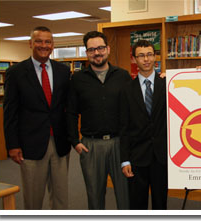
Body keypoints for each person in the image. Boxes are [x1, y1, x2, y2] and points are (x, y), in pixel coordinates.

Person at [3, 26, 71, 209]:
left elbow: (67, 107)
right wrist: (13, 144)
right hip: (30, 144)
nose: (44, 45)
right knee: (33, 199)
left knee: (61, 197)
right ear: (30, 43)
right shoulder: (16, 73)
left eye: (48, 41)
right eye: (39, 41)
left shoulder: (63, 71)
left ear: (53, 45)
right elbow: (10, 112)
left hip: (60, 143)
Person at [66, 31, 131, 209]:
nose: (97, 53)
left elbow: (133, 108)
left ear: (108, 49)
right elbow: (70, 112)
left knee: (125, 194)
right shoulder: (77, 79)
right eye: (92, 49)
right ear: (87, 53)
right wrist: (75, 142)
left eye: (100, 48)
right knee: (94, 196)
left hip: (119, 144)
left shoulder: (123, 76)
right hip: (91, 146)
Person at [120, 40, 168, 210]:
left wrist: (200, 70)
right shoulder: (126, 90)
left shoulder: (168, 84)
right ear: (134, 59)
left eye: (149, 54)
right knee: (137, 204)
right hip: (137, 157)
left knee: (160, 203)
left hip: (161, 157)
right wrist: (125, 160)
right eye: (141, 55)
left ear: (155, 57)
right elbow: (123, 127)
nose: (146, 59)